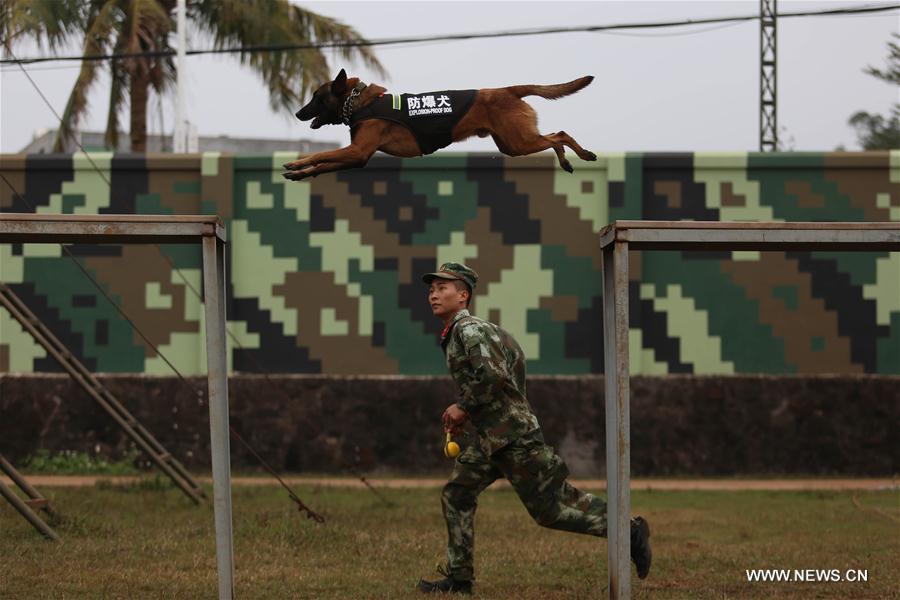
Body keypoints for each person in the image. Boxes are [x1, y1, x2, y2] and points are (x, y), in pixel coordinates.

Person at [416, 262, 652, 595]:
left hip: (512, 439)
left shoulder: (470, 330)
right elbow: (511, 365)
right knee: (457, 494)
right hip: (491, 439)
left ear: (463, 294)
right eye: (431, 289)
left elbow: (494, 376)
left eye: (443, 288)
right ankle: (460, 578)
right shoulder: (465, 332)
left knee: (552, 509)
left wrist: (463, 407)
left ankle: (628, 532)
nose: (434, 295)